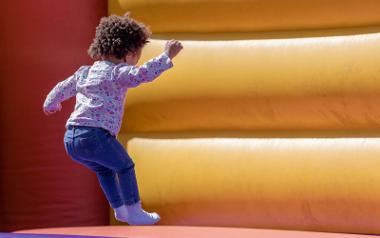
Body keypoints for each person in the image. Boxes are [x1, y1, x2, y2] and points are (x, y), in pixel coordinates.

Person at [42, 13, 183, 225]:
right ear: (129, 53)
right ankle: (134, 210)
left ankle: (120, 209)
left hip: (71, 139)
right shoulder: (118, 73)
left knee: (104, 168)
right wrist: (166, 57)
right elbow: (142, 75)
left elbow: (63, 87)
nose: (136, 60)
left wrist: (50, 102)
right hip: (95, 136)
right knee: (125, 166)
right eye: (137, 55)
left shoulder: (85, 72)